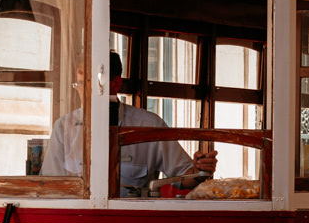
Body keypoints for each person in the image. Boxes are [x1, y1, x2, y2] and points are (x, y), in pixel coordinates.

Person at [42, 52, 218, 196]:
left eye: (93, 84)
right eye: (80, 84)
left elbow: (186, 176)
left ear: (115, 83)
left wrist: (200, 169)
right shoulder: (64, 127)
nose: (84, 91)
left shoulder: (149, 126)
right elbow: (48, 186)